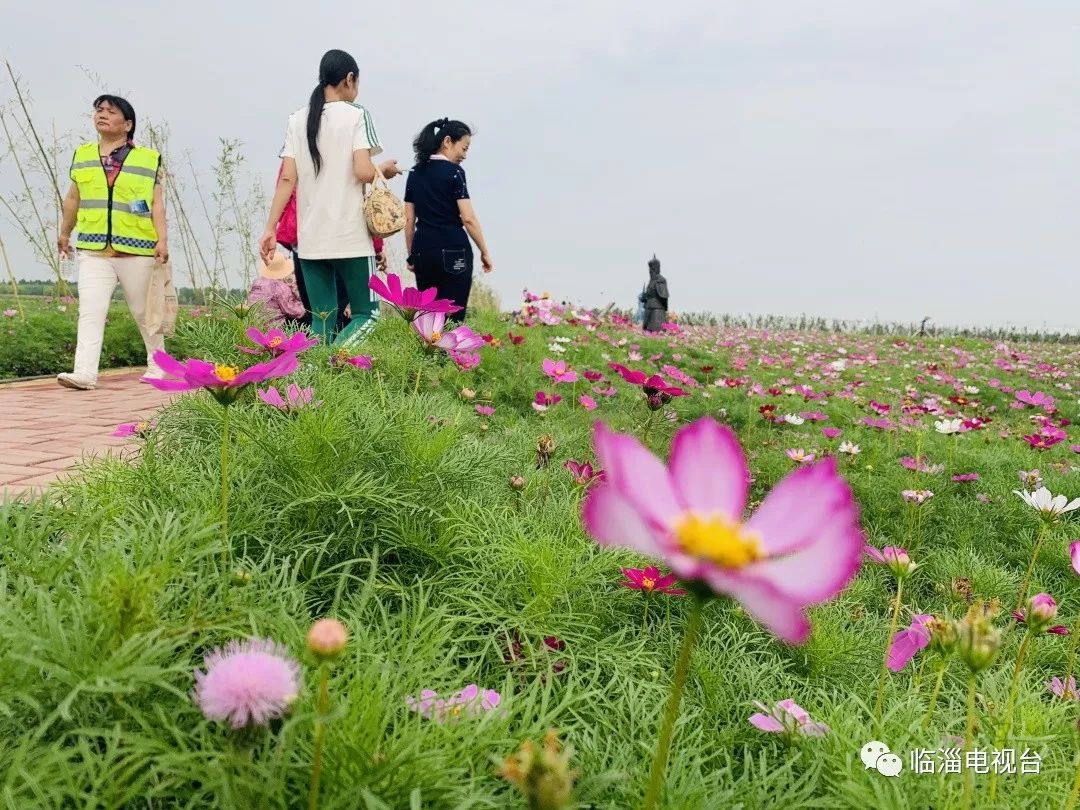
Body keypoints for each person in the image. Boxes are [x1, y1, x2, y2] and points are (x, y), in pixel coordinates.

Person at [259, 49, 400, 344]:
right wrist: (382, 171)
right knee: (367, 315)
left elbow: (287, 178)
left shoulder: (297, 120)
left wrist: (270, 228)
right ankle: (332, 366)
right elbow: (363, 171)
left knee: (322, 324)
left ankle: (312, 382)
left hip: (310, 239)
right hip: (350, 236)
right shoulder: (357, 115)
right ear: (349, 79)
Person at [55, 95, 168, 390]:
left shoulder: (147, 159)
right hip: (93, 249)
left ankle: (158, 364)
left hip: (137, 250)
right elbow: (73, 198)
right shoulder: (82, 155)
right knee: (91, 311)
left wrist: (162, 241)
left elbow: (156, 204)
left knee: (144, 312)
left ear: (127, 124)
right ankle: (84, 373)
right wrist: (65, 232)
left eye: (111, 111)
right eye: (99, 110)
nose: (102, 115)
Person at [404, 118, 493, 321]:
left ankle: (428, 352)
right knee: (452, 316)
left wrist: (411, 254)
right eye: (464, 148)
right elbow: (468, 218)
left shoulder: (415, 173)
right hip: (454, 250)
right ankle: (449, 353)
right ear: (447, 142)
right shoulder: (455, 173)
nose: (465, 155)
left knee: (428, 317)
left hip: (423, 251)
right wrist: (484, 251)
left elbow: (409, 219)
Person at [246, 252, 306, 326]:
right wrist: (306, 307)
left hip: (255, 324)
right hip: (274, 326)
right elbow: (292, 311)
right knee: (305, 319)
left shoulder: (257, 283)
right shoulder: (280, 287)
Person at [640, 254, 669, 333]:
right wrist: (644, 297)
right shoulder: (650, 281)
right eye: (650, 269)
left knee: (656, 330)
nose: (650, 271)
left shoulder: (661, 279)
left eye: (652, 269)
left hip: (657, 309)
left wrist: (656, 284)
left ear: (656, 268)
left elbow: (664, 295)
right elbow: (649, 294)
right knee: (647, 331)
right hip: (648, 308)